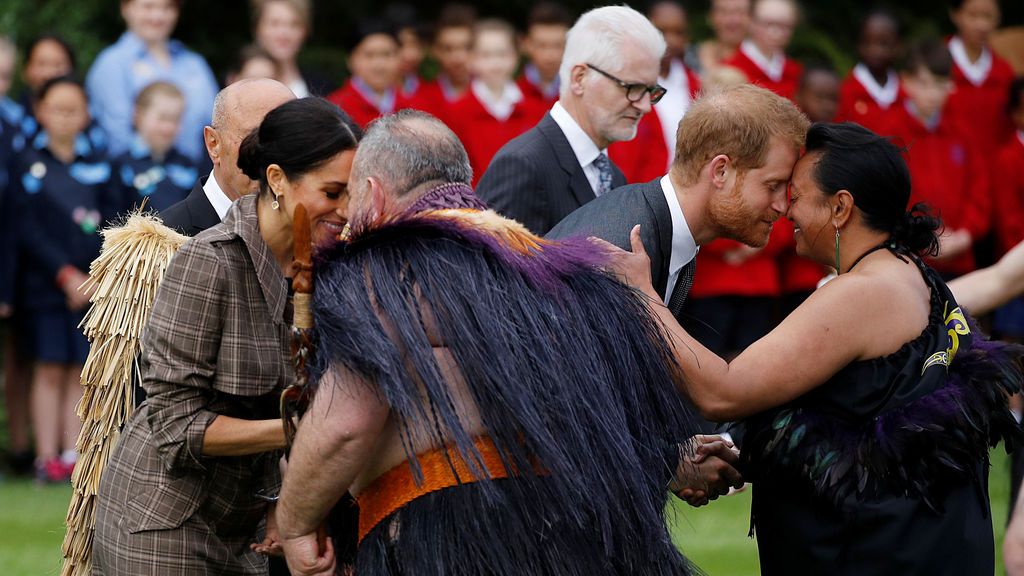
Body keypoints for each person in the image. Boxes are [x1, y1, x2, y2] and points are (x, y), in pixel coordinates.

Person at [274, 109, 739, 576]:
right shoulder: (553, 270)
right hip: (570, 536)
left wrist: (294, 523)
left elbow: (346, 424)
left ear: (373, 195)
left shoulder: (383, 270)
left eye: (350, 197)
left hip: (442, 538)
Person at [603, 121, 1023, 575]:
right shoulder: (908, 271)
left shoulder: (860, 295)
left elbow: (722, 391)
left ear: (841, 207)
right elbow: (849, 409)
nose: (785, 209)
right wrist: (737, 447)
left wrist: (640, 295)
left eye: (796, 195)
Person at [92, 97, 362, 575]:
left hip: (244, 529)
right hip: (161, 524)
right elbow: (175, 428)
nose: (345, 210)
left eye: (352, 194)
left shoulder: (325, 268)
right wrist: (300, 432)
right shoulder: (208, 262)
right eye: (333, 192)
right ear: (277, 180)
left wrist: (291, 497)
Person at [550, 83, 806, 334]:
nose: (782, 206)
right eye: (772, 185)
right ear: (721, 171)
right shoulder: (619, 253)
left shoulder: (653, 228)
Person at [11, 76, 125, 483]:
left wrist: (94, 275)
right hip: (44, 285)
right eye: (56, 108)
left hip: (91, 286)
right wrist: (63, 274)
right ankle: (45, 457)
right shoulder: (24, 161)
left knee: (81, 367)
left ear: (86, 114)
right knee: (48, 367)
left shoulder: (101, 164)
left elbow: (115, 221)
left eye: (73, 109)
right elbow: (25, 227)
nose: (64, 117)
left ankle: (72, 452)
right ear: (40, 112)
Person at [476, 5, 664, 235]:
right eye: (632, 87)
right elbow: (485, 269)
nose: (644, 105)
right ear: (579, 78)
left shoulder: (613, 176)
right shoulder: (522, 167)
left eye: (651, 91)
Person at [880, 39, 989, 278]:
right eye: (924, 83)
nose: (933, 93)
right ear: (906, 82)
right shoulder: (890, 132)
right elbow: (887, 194)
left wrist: (963, 236)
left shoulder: (962, 132)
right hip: (908, 259)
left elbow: (979, 191)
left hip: (959, 260)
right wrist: (921, 237)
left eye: (940, 84)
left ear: (951, 85)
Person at [159, 78, 295, 237]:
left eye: (289, 138)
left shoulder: (310, 232)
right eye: (255, 138)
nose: (275, 155)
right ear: (213, 144)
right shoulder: (163, 244)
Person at [86, 0, 219, 162]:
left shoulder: (195, 64)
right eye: (148, 6)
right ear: (125, 8)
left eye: (167, 7)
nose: (158, 16)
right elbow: (117, 136)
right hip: (136, 177)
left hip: (194, 174)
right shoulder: (111, 64)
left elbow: (215, 125)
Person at [610, 0, 702, 183]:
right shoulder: (626, 83)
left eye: (678, 32)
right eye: (662, 32)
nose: (670, 40)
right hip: (641, 193)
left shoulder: (695, 84)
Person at [447, 19, 546, 186]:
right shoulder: (456, 113)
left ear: (516, 56)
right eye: (486, 55)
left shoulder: (536, 109)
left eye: (502, 54)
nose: (495, 63)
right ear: (471, 58)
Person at [112, 81, 196, 212]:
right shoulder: (121, 165)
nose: (169, 127)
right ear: (138, 116)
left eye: (176, 119)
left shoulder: (188, 165)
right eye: (162, 118)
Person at [946, 0, 1015, 159]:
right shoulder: (937, 65)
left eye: (988, 16)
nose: (982, 25)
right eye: (973, 15)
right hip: (949, 172)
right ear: (955, 14)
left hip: (994, 174)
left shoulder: (1004, 73)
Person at [327, 18, 409, 129]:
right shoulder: (335, 108)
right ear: (350, 60)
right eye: (369, 55)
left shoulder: (415, 106)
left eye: (387, 54)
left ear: (400, 57)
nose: (379, 65)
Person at [835, 8, 905, 133]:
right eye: (867, 42)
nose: (874, 50)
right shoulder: (846, 92)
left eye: (883, 43)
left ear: (898, 46)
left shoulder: (907, 93)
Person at [407, 3, 475, 125]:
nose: (457, 58)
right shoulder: (420, 99)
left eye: (466, 47)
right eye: (448, 49)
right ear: (435, 50)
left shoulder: (493, 95)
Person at [252, 0, 333, 97]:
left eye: (294, 25)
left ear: (306, 31)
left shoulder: (322, 86)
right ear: (257, 28)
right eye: (275, 23)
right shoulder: (242, 81)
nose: (284, 34)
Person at [724, 0, 803, 100]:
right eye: (768, 24)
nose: (776, 32)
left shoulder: (797, 72)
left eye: (785, 26)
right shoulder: (730, 69)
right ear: (750, 21)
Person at [517, 2, 573, 106]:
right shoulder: (512, 95)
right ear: (526, 44)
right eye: (542, 45)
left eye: (558, 45)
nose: (550, 55)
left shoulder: (577, 94)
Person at [696, 0, 751, 76]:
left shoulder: (761, 61)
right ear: (710, 17)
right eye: (723, 12)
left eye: (740, 12)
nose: (731, 20)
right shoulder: (690, 57)